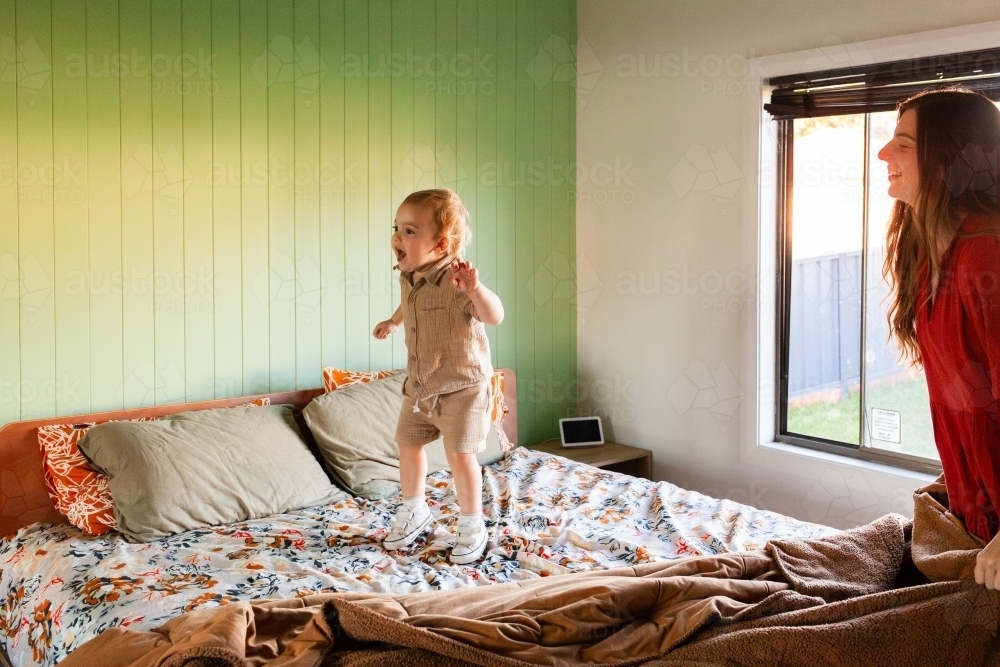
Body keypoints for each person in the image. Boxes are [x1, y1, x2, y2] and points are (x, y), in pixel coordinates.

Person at [878, 87, 1000, 590]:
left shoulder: (987, 254)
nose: (884, 153)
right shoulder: (932, 258)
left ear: (949, 157)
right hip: (979, 515)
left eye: (903, 143)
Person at [372, 187, 504, 564]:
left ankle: (471, 523)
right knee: (407, 445)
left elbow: (494, 316)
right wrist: (394, 321)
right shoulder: (409, 274)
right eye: (396, 228)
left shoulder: (457, 281)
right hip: (421, 386)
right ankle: (415, 509)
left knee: (459, 455)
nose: (397, 237)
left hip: (463, 388)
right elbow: (410, 303)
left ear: (441, 242)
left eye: (410, 231)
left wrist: (477, 290)